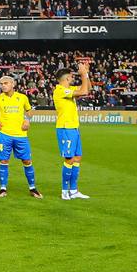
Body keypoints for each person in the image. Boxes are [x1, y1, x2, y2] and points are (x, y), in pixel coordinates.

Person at [0, 75, 41, 199]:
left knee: (27, 161)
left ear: (13, 84)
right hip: (4, 134)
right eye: (1, 83)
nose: (3, 85)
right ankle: (3, 188)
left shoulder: (22, 98)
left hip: (21, 135)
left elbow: (29, 112)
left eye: (6, 83)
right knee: (3, 161)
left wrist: (27, 120)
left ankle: (32, 188)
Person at [54, 61, 91, 200]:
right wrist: (83, 74)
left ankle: (74, 190)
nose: (73, 78)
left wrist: (86, 74)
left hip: (74, 128)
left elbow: (88, 88)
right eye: (72, 77)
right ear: (67, 78)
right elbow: (84, 91)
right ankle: (65, 191)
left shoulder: (69, 89)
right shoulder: (60, 90)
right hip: (65, 128)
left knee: (77, 158)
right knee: (69, 159)